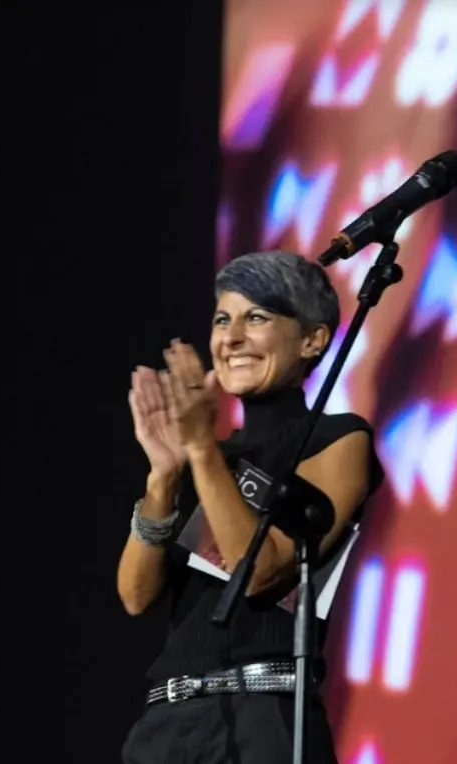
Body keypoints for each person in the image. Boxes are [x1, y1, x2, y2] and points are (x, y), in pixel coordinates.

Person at [117, 251, 382, 764]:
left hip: (262, 719)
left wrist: (200, 451)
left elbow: (260, 571)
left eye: (256, 317)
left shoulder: (339, 439)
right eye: (222, 319)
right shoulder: (211, 458)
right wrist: (164, 477)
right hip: (165, 725)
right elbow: (134, 594)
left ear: (313, 339)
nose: (231, 337)